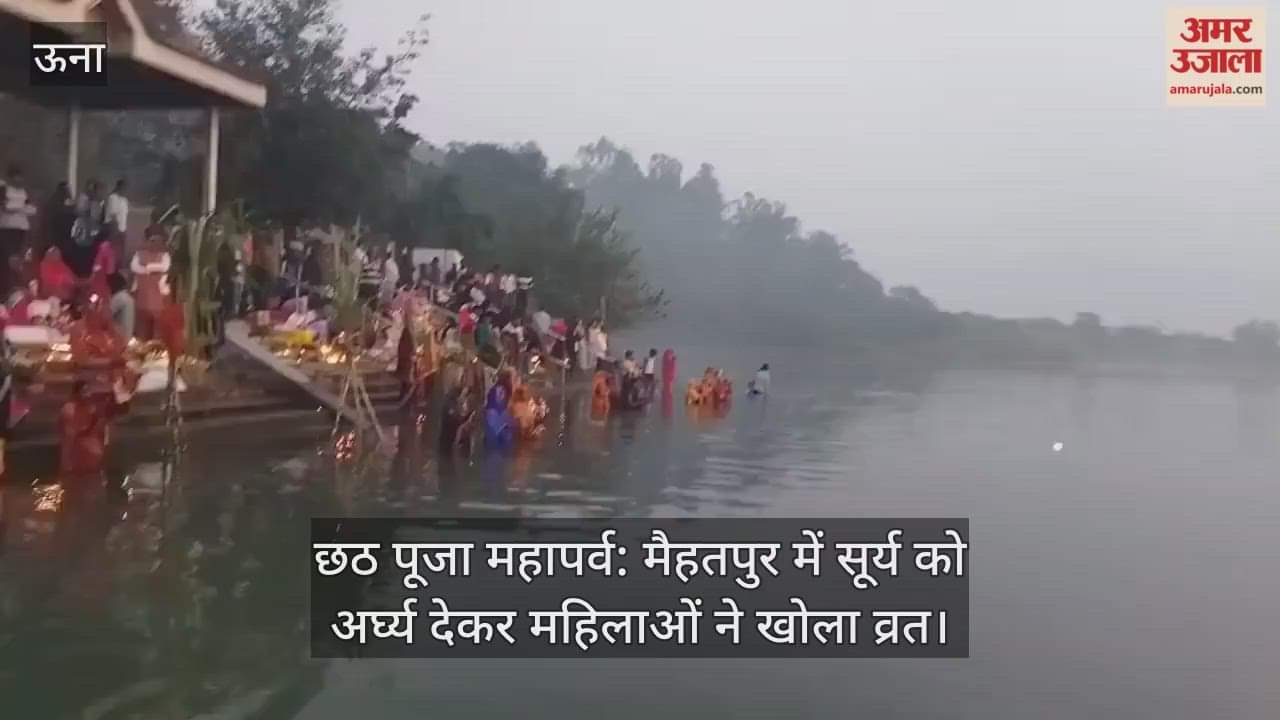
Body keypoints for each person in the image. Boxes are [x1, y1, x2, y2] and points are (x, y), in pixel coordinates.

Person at [0, 166, 37, 296]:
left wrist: (17, 208)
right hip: (7, 229)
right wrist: (21, 208)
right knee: (8, 260)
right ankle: (6, 289)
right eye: (17, 176)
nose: (19, 179)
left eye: (21, 176)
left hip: (21, 230)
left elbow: (32, 209)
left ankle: (15, 287)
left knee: (20, 259)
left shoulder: (23, 192)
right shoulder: (4, 189)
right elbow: (5, 207)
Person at [131, 228, 171, 341]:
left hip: (159, 299)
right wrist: (152, 270)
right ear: (147, 241)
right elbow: (135, 267)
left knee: (158, 331)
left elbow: (165, 267)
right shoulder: (139, 254)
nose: (156, 244)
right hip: (141, 298)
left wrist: (148, 268)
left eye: (159, 241)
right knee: (141, 331)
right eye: (153, 241)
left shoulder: (164, 255)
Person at [69, 179, 105, 277]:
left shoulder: (91, 199)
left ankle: (82, 273)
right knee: (84, 254)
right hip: (85, 230)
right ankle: (82, 274)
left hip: (86, 230)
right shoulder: (89, 199)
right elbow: (93, 216)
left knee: (85, 254)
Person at [89, 235, 117, 301]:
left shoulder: (102, 250)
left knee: (97, 291)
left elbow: (97, 264)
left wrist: (93, 275)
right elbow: (111, 268)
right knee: (103, 291)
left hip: (100, 275)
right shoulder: (111, 251)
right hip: (105, 276)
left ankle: (92, 304)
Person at [107, 272, 134, 340]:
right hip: (126, 335)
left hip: (119, 337)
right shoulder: (126, 296)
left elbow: (106, 315)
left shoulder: (119, 297)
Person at [103, 178, 129, 246]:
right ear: (119, 187)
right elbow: (113, 215)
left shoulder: (124, 200)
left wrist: (123, 230)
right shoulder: (113, 198)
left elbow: (124, 216)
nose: (126, 190)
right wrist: (116, 231)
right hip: (114, 230)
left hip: (122, 230)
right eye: (124, 187)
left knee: (120, 252)